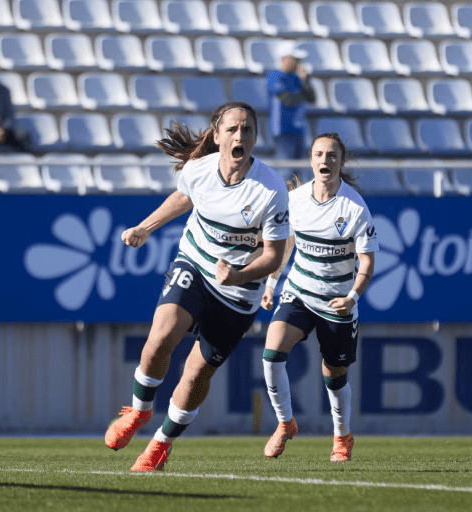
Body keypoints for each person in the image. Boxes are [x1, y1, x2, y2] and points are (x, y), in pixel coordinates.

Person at [104, 102, 290, 472]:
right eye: (233, 129)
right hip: (195, 263)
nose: (240, 136)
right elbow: (185, 197)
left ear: (255, 138)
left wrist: (237, 275)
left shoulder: (270, 190)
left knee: (195, 373)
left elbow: (274, 256)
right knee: (160, 337)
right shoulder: (199, 170)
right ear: (217, 135)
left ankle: (160, 444)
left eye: (248, 130)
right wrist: (145, 227)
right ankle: (139, 412)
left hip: (238, 292)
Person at [260, 133, 378, 462]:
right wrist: (271, 284)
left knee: (334, 375)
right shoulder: (295, 200)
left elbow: (367, 261)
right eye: (318, 154)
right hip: (298, 294)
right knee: (271, 355)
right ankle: (285, 424)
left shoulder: (354, 207)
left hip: (337, 302)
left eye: (331, 155)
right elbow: (285, 247)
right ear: (311, 160)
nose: (324, 160)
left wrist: (352, 297)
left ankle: (342, 436)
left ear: (341, 162)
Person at [267, 50, 316, 165]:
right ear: (285, 58)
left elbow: (311, 98)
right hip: (282, 130)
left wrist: (306, 80)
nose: (299, 63)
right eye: (296, 60)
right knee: (286, 169)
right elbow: (289, 100)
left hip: (299, 130)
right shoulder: (274, 76)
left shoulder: (297, 78)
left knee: (297, 171)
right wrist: (304, 93)